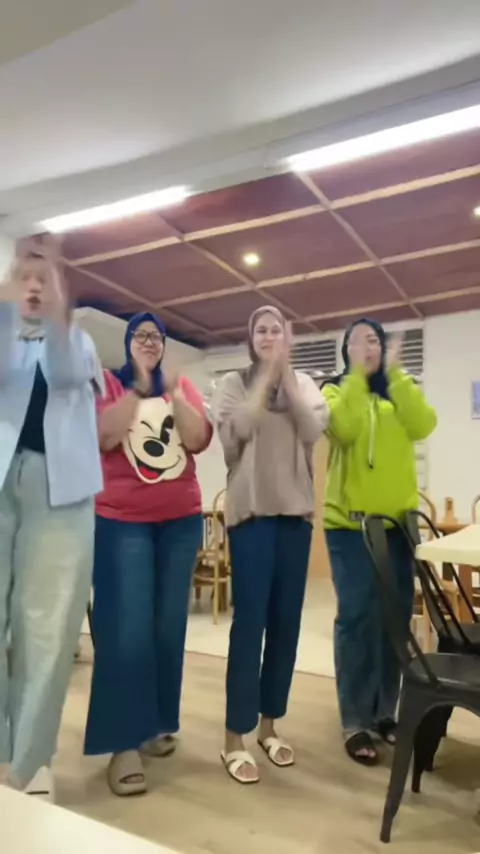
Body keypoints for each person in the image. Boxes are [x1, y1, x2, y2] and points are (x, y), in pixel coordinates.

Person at [84, 311, 212, 796]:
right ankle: (122, 743)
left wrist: (175, 393)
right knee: (127, 631)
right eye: (140, 335)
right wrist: (138, 389)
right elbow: (104, 437)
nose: (149, 342)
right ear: (127, 343)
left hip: (179, 522)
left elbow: (197, 439)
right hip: (122, 522)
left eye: (156, 336)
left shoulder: (182, 387)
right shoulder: (110, 385)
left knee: (167, 629)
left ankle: (154, 723)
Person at [0, 249, 103, 800]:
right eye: (25, 278)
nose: (34, 287)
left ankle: (26, 761)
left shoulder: (77, 341)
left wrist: (58, 314)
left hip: (60, 490)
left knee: (47, 626)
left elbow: (64, 374)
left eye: (45, 279)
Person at [214, 306, 329, 784]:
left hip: (295, 518)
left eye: (276, 329)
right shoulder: (232, 383)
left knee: (286, 626)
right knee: (250, 626)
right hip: (252, 517)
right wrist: (265, 378)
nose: (267, 335)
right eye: (260, 329)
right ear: (250, 338)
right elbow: (239, 430)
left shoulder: (306, 385)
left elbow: (312, 430)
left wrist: (286, 376)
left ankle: (268, 726)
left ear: (288, 336)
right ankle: (233, 738)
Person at [322, 318, 437, 766]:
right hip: (350, 528)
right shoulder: (335, 391)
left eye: (374, 340)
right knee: (357, 620)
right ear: (345, 351)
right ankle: (355, 719)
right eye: (357, 341)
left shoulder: (397, 392)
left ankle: (386, 711)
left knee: (395, 621)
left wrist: (397, 376)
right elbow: (346, 429)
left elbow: (424, 424)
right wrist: (356, 375)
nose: (367, 347)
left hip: (399, 527)